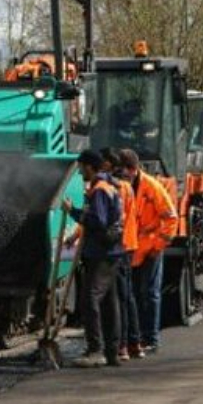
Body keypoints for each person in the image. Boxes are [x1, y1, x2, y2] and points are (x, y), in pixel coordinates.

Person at [63, 150, 124, 368]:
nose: (80, 172)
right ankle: (111, 352)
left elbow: (98, 221)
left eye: (81, 168)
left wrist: (73, 212)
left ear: (90, 166)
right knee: (109, 302)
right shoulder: (109, 187)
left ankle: (95, 350)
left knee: (90, 299)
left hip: (101, 253)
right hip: (111, 251)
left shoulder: (99, 190)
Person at [120, 148, 178, 354]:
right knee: (134, 295)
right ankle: (136, 338)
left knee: (150, 293)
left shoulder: (152, 187)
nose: (123, 175)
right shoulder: (124, 187)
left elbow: (171, 218)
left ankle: (151, 337)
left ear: (134, 169)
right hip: (133, 249)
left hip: (151, 248)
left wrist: (158, 246)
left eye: (126, 170)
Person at [100, 148, 145, 361]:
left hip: (120, 245)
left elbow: (110, 217)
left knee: (119, 298)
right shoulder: (127, 186)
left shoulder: (116, 187)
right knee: (128, 296)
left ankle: (123, 345)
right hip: (128, 243)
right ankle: (134, 342)